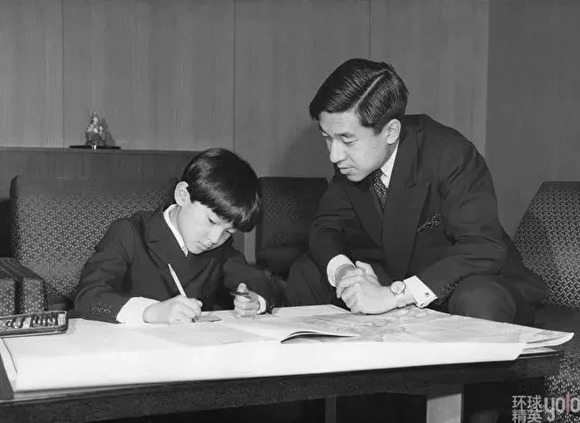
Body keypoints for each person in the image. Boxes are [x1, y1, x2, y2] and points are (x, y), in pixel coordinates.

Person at [286, 58, 548, 422]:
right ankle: (327, 410)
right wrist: (346, 273)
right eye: (327, 138)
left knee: (479, 298)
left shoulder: (449, 153)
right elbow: (324, 227)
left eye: (346, 139)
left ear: (391, 131)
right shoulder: (353, 160)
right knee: (308, 273)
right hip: (400, 274)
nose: (334, 155)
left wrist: (393, 295)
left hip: (473, 281)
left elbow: (483, 248)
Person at [75, 148, 278, 324]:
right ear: (182, 195)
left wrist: (254, 300)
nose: (215, 239)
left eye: (228, 231)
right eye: (211, 221)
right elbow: (88, 296)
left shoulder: (220, 247)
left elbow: (257, 279)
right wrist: (149, 312)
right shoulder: (129, 232)